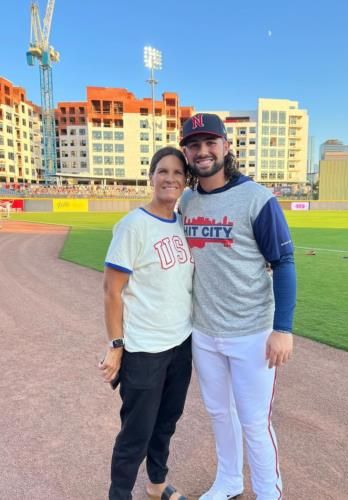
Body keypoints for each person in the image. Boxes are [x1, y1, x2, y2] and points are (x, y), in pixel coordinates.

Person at [179, 113, 296, 500]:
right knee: (217, 413)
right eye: (194, 144)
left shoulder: (257, 199)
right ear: (187, 152)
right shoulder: (187, 201)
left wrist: (283, 329)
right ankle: (229, 480)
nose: (203, 151)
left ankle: (268, 493)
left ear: (226, 147)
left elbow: (283, 264)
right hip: (205, 330)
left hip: (252, 332)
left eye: (211, 142)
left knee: (253, 421)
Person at [99, 146, 193, 500]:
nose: (170, 178)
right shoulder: (133, 225)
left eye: (177, 173)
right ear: (151, 177)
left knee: (167, 423)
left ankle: (155, 486)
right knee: (136, 432)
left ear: (185, 181)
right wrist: (116, 346)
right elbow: (111, 290)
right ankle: (119, 494)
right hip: (144, 350)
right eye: (163, 171)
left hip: (180, 344)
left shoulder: (182, 223)